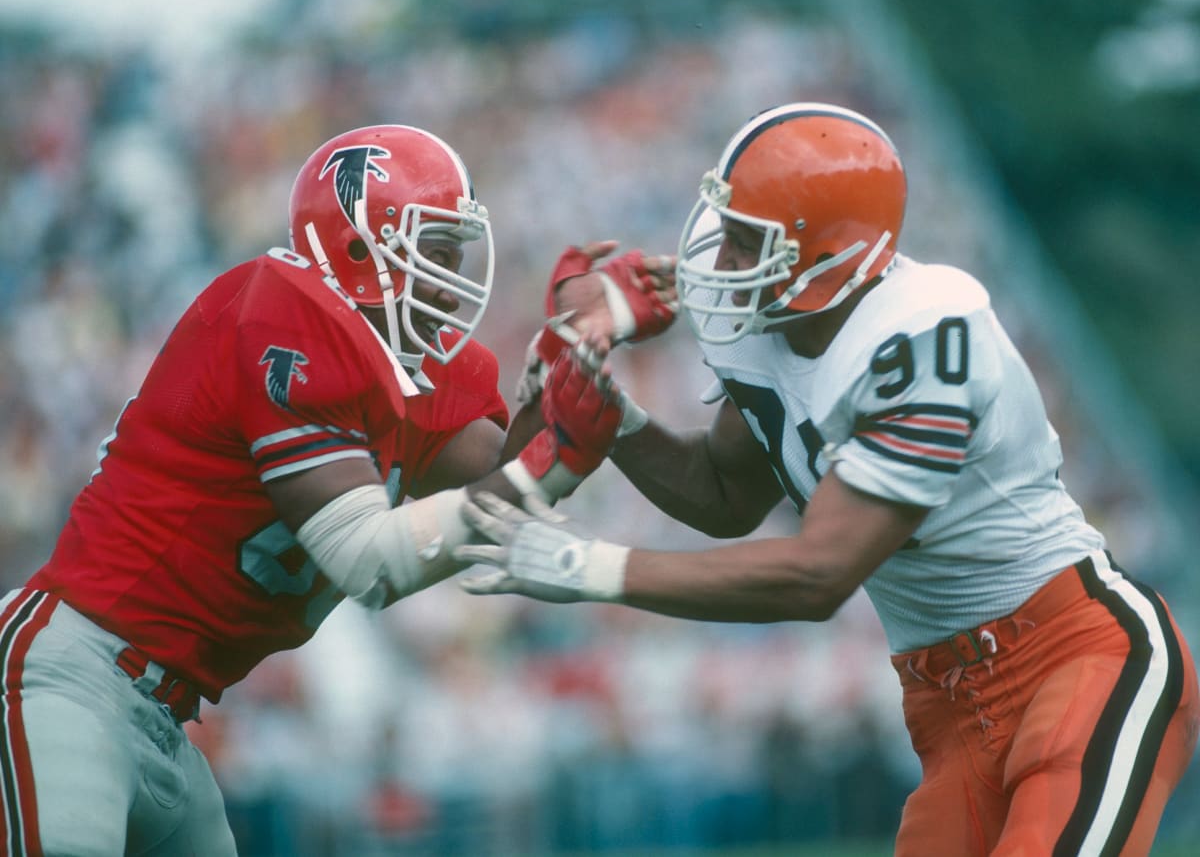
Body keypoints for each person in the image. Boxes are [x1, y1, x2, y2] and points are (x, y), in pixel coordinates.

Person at [454, 103, 1200, 856]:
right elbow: (724, 496)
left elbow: (819, 576)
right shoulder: (770, 322)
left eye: (750, 246)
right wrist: (618, 423)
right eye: (731, 232)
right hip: (947, 707)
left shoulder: (924, 339)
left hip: (1077, 658)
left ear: (834, 257)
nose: (722, 262)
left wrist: (587, 567)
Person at [0, 123, 675, 855]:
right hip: (72, 672)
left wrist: (576, 353)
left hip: (165, 715)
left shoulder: (408, 373)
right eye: (437, 253)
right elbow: (372, 559)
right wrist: (552, 461)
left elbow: (504, 484)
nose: (453, 281)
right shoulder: (285, 313)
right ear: (358, 245)